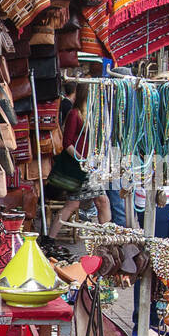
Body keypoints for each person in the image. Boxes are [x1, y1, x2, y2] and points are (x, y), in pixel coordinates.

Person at [53, 82, 109, 236]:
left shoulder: (91, 114)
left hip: (89, 166)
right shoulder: (74, 113)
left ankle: (107, 237)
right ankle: (107, 237)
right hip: (80, 167)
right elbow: (67, 143)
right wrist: (82, 159)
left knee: (100, 201)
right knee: (76, 204)